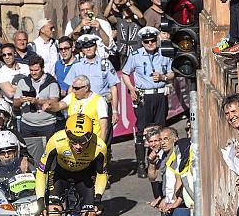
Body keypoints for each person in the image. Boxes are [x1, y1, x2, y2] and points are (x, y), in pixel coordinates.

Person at [121, 26, 174, 178]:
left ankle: (158, 160)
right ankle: (141, 164)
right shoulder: (135, 55)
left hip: (160, 95)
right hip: (144, 96)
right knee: (142, 129)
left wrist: (163, 77)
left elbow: (172, 73)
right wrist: (131, 89)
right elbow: (125, 74)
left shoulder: (164, 53)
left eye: (152, 40)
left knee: (160, 128)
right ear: (142, 42)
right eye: (147, 41)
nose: (150, 44)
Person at [65, 37, 120, 151]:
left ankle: (103, 165)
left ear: (95, 46)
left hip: (102, 107)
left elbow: (113, 88)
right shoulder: (77, 66)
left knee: (105, 138)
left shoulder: (105, 64)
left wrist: (115, 111)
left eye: (91, 46)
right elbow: (70, 89)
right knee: (81, 138)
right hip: (83, 108)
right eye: (85, 47)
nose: (88, 49)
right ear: (82, 50)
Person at [45, 75, 108, 141]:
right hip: (73, 142)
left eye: (77, 88)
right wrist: (50, 106)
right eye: (73, 87)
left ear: (86, 88)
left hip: (91, 142)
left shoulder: (99, 100)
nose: (74, 91)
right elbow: (59, 106)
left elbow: (104, 129)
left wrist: (100, 147)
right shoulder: (72, 96)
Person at [13, 55, 60, 137]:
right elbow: (15, 103)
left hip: (47, 125)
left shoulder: (51, 82)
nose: (33, 73)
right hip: (27, 125)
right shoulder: (23, 82)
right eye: (31, 70)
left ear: (42, 68)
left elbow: (54, 102)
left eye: (36, 70)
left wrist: (37, 101)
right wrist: (20, 100)